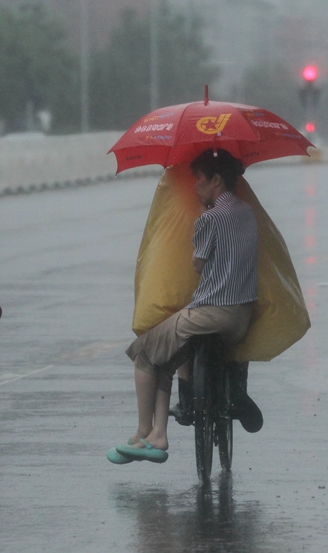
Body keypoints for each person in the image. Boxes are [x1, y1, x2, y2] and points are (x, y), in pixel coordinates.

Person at [107, 149, 263, 465]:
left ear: (215, 181)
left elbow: (197, 263)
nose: (195, 188)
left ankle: (143, 431)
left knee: (144, 352)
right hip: (241, 317)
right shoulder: (247, 213)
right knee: (169, 353)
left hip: (212, 312)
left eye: (199, 181)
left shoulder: (210, 218)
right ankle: (160, 434)